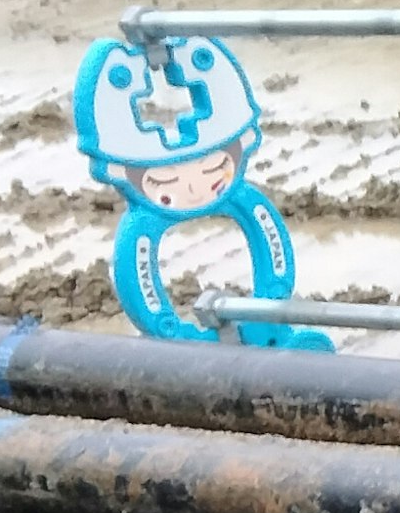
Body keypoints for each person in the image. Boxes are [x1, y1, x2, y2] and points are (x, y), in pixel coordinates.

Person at [70, 35, 327, 348]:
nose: (192, 188)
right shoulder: (145, 213)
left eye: (211, 169)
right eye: (164, 181)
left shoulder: (235, 188)